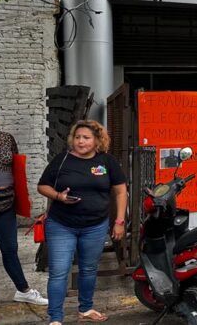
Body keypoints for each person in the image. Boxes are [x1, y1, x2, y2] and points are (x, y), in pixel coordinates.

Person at [37, 120, 127, 325]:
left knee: (88, 269)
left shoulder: (107, 161)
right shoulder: (62, 160)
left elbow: (121, 191)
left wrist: (119, 220)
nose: (80, 141)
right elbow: (42, 186)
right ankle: (56, 318)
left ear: (97, 140)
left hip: (95, 226)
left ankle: (85, 308)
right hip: (62, 225)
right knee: (59, 272)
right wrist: (59, 196)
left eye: (86, 137)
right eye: (77, 137)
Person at [0, 102, 48, 311]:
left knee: (10, 248)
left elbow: (15, 166)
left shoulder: (7, 139)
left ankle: (23, 291)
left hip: (6, 199)